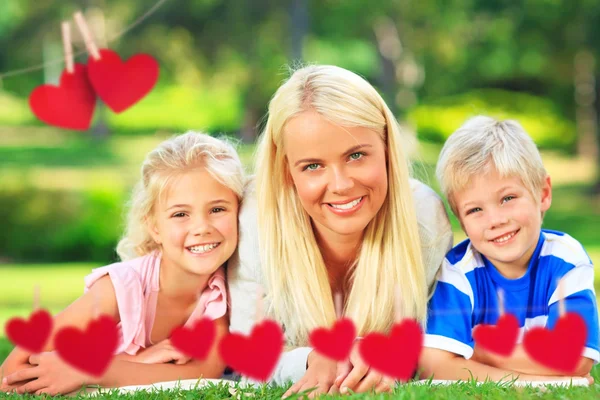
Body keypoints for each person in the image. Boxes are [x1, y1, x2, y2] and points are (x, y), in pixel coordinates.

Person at [227, 64, 454, 396]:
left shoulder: (423, 220)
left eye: (357, 155)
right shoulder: (254, 221)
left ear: (388, 149)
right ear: (287, 170)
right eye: (313, 166)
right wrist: (310, 361)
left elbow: (433, 347)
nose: (341, 184)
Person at [1, 131, 246, 395]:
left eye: (217, 209)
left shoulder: (221, 288)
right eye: (180, 214)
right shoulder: (120, 289)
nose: (201, 227)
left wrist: (92, 370)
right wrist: (134, 362)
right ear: (154, 227)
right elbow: (11, 371)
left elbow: (205, 370)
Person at [420, 116, 599, 382]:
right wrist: (541, 380)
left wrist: (479, 352)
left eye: (508, 198)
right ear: (461, 220)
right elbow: (434, 364)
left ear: (543, 194)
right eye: (475, 210)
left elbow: (575, 357)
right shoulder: (458, 271)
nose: (496, 220)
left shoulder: (565, 259)